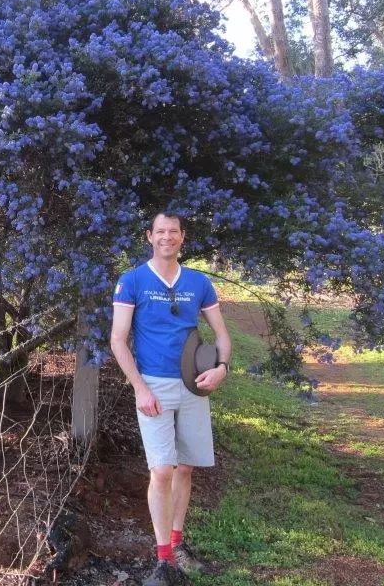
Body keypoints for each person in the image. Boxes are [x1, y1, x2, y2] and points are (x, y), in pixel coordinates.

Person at [110, 213, 231, 586]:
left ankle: (178, 546)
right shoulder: (131, 281)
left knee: (186, 468)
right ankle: (163, 562)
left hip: (193, 385)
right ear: (149, 236)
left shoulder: (199, 282)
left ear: (182, 237)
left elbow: (222, 335)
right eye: (160, 231)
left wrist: (222, 368)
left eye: (173, 232)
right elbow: (118, 340)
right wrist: (140, 389)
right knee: (161, 470)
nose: (166, 237)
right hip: (154, 387)